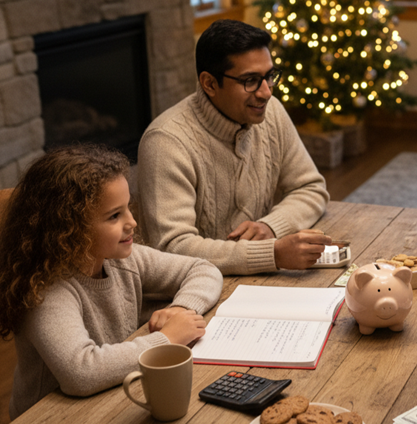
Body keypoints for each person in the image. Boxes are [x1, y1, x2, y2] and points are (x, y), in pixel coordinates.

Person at [0, 145, 223, 419]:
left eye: (128, 207)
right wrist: (167, 339)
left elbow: (203, 269)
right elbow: (81, 372)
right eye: (114, 215)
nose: (132, 223)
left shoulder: (121, 258)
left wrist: (181, 308)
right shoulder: (47, 289)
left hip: (111, 397)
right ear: (68, 226)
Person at [137, 19, 331, 275]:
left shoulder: (270, 113)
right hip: (188, 294)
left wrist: (271, 227)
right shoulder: (165, 143)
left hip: (256, 281)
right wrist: (271, 253)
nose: (266, 93)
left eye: (269, 76)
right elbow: (174, 247)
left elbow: (310, 188)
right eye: (250, 80)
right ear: (209, 84)